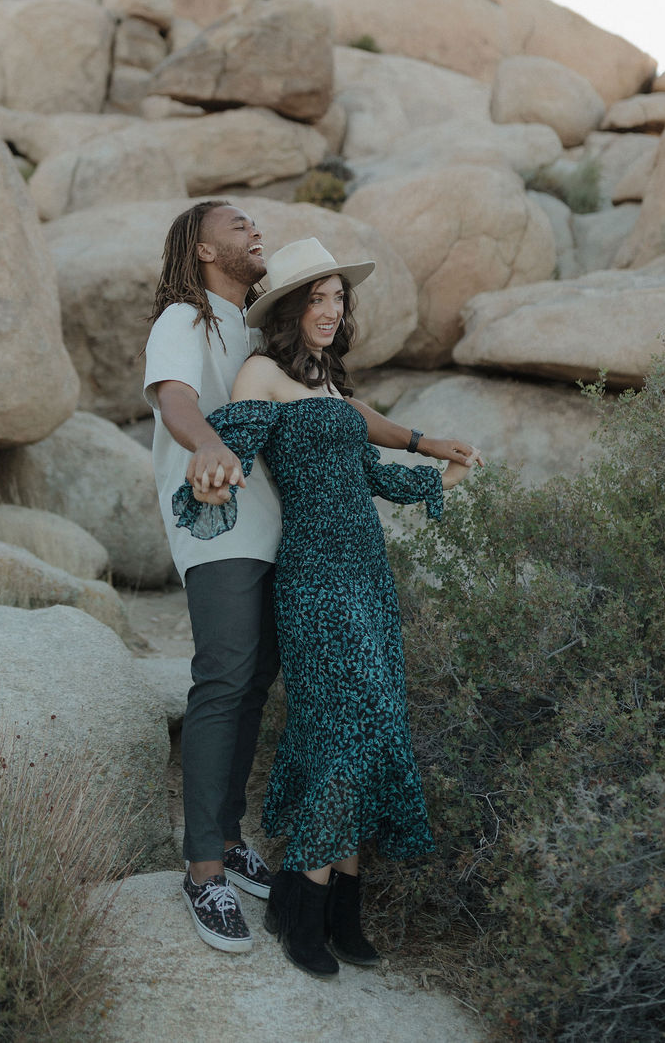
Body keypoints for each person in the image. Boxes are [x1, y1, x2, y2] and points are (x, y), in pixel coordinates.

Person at [174, 237, 481, 977]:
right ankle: (300, 900)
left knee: (372, 725)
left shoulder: (328, 382)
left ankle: (343, 906)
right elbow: (231, 450)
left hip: (368, 573)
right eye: (316, 298)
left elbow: (367, 471)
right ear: (288, 309)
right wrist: (208, 479)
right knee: (342, 730)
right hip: (315, 575)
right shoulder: (262, 373)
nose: (330, 309)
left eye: (338, 297)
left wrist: (440, 474)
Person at [144, 200, 283, 954]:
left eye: (255, 224)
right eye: (237, 225)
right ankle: (203, 869)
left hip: (276, 524)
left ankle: (229, 836)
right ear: (201, 250)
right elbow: (176, 398)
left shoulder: (259, 329)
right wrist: (205, 446)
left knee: (254, 682)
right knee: (223, 678)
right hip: (218, 520)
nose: (254, 231)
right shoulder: (184, 319)